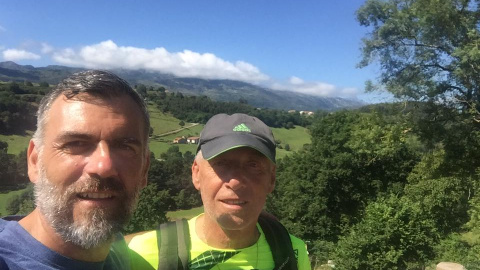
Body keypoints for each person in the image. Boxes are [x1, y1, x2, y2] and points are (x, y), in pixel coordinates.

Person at [0, 70, 151, 270]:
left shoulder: (120, 255)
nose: (103, 166)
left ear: (144, 170)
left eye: (125, 147)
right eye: (76, 143)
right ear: (34, 161)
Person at [128, 113, 311, 270]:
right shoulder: (143, 255)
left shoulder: (292, 253)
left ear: (271, 179)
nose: (236, 182)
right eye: (222, 163)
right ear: (196, 173)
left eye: (253, 165)